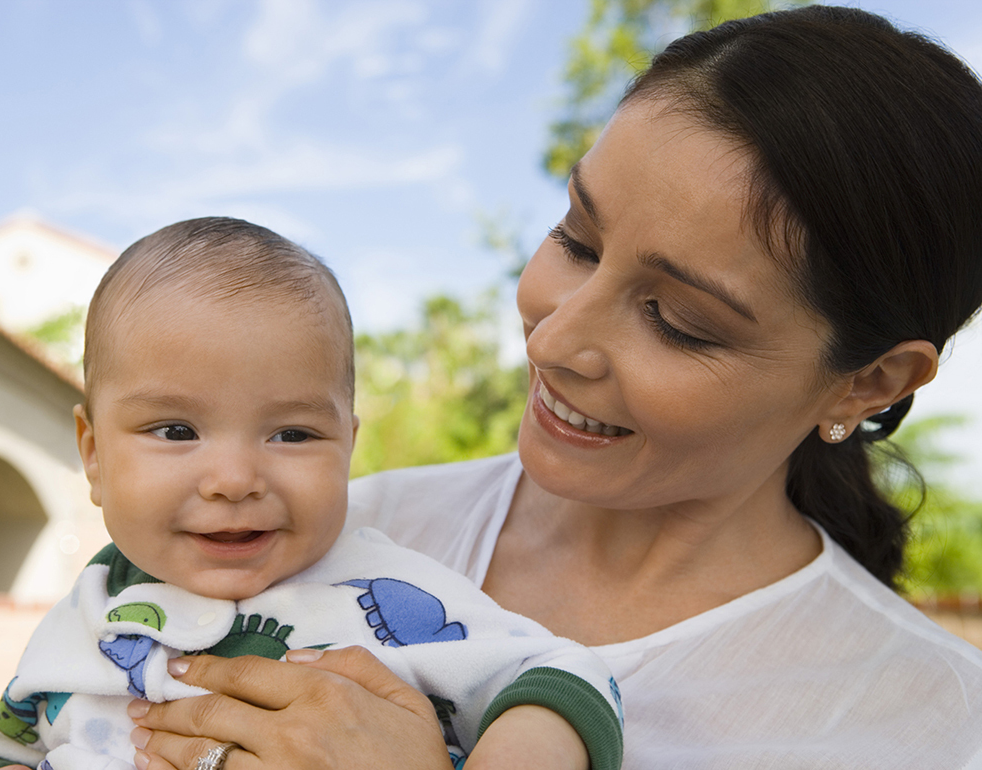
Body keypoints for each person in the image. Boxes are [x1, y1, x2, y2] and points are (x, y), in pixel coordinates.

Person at [117, 6, 982, 770]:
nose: (556, 337)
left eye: (679, 320)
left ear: (867, 383)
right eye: (576, 237)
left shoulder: (932, 728)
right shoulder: (314, 533)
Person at [0, 217, 625, 770]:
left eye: (292, 433)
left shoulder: (384, 591)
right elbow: (7, 750)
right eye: (175, 430)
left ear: (347, 448)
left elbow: (567, 680)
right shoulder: (86, 608)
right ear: (94, 456)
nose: (233, 479)